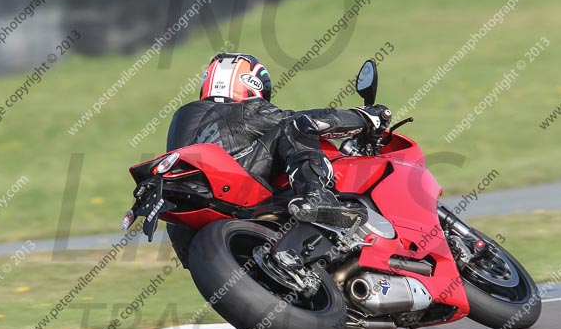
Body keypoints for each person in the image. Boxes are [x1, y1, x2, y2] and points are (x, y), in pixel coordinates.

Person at [167, 52, 392, 228]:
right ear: (253, 83)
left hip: (187, 226)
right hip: (233, 190)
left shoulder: (183, 116)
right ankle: (315, 196)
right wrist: (366, 117)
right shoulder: (246, 110)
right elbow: (308, 120)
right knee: (297, 126)